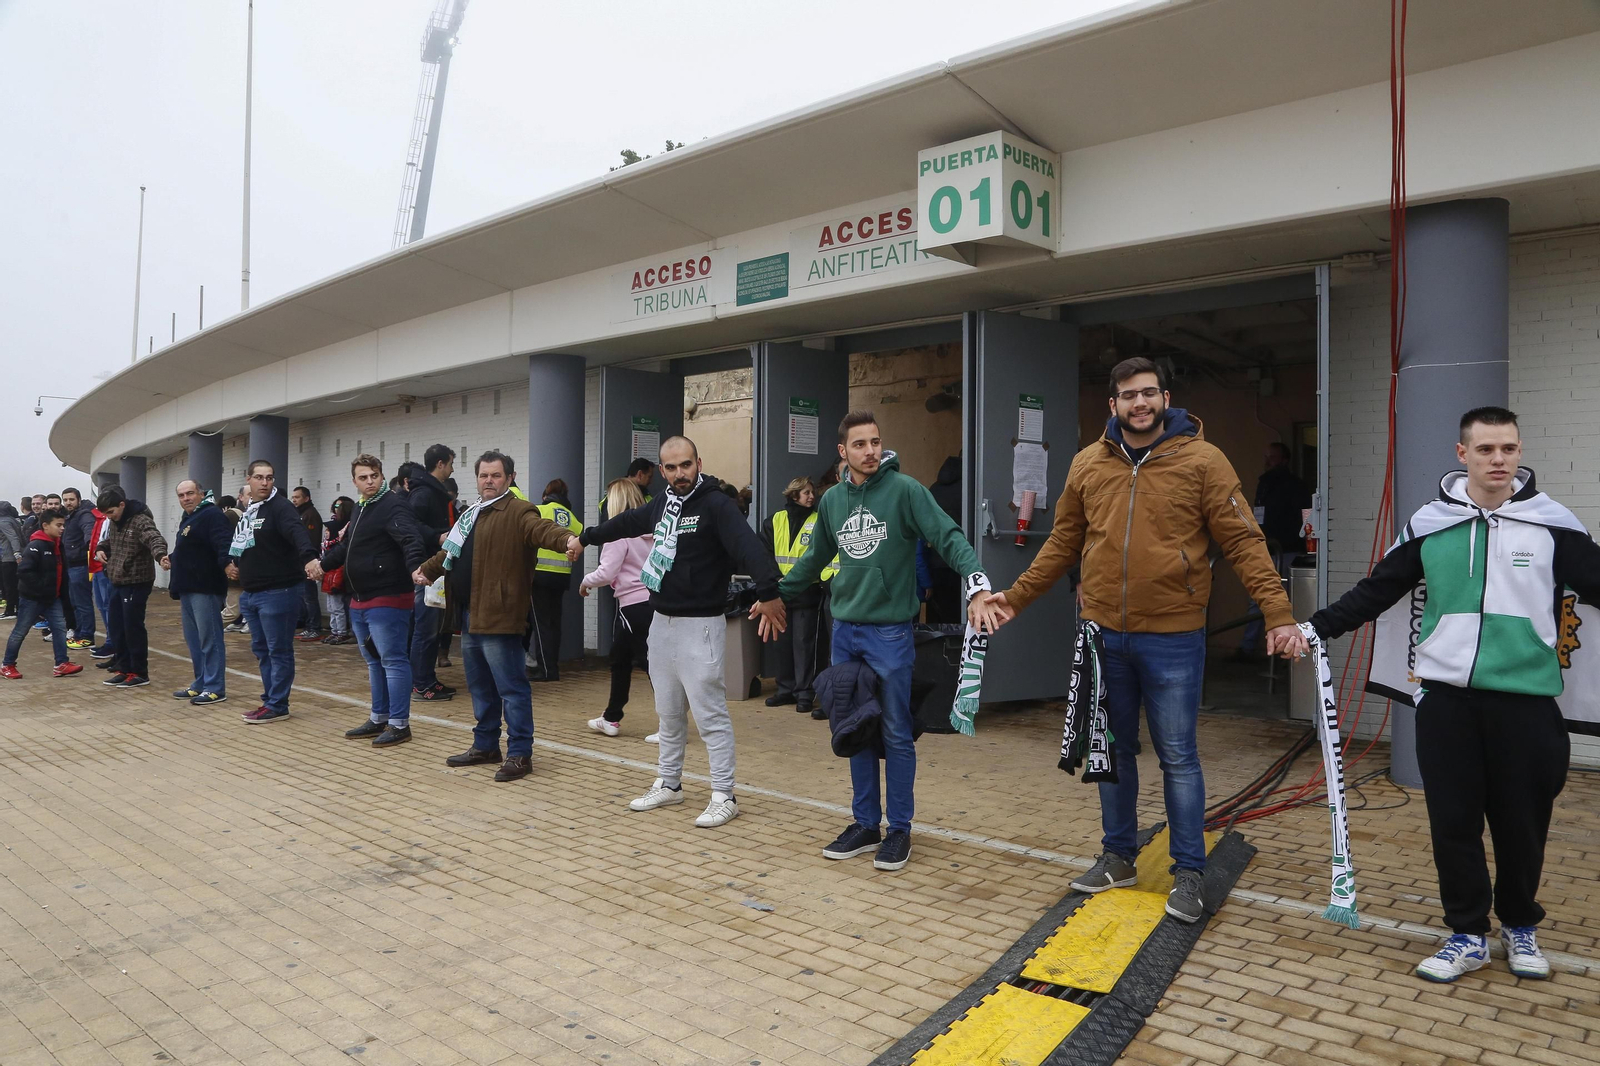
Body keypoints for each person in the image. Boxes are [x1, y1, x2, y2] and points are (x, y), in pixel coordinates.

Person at [981, 357, 1306, 923]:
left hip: (1175, 637)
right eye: (1129, 395)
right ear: (1114, 405)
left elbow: (1244, 542)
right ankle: (1118, 857)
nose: (1140, 404)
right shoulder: (1088, 464)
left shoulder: (1203, 461)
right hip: (1105, 634)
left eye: (1149, 394)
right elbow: (1062, 543)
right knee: (1113, 749)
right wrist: (1016, 597)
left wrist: (1278, 613)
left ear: (1165, 398)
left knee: (1179, 756)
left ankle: (1188, 874)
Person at [1309, 407, 1592, 982]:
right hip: (1448, 702)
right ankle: (1467, 933)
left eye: (1508, 449)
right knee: (1454, 824)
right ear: (1462, 454)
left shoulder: (1554, 524)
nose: (1499, 461)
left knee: (1523, 824)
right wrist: (1314, 628)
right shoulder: (1430, 524)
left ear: (1519, 452)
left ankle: (1519, 924)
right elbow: (1377, 590)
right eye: (1486, 450)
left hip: (1527, 703)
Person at [780, 413, 1002, 872]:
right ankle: (865, 825)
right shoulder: (832, 501)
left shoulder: (906, 491)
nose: (869, 451)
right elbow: (814, 558)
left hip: (890, 633)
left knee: (896, 731)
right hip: (845, 632)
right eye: (858, 444)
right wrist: (770, 595)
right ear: (843, 451)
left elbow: (948, 536)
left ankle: (899, 830)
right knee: (855, 728)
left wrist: (977, 583)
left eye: (875, 442)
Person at [577, 436, 786, 828]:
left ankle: (725, 794)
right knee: (668, 712)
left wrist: (770, 592)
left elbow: (749, 548)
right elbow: (626, 523)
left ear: (698, 463)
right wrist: (586, 536)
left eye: (686, 465)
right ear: (661, 471)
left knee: (711, 716)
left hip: (701, 626)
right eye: (671, 468)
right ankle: (670, 785)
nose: (679, 474)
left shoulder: (717, 504)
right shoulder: (663, 504)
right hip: (661, 623)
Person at [413, 450, 580, 782]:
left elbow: (542, 530)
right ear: (477, 479)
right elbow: (451, 552)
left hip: (501, 615)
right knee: (480, 687)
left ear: (510, 478)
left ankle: (520, 754)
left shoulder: (519, 511)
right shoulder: (471, 513)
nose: (489, 481)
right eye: (483, 475)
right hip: (469, 615)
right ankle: (486, 745)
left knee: (512, 688)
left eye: (496, 476)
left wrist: (568, 540)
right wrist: (426, 570)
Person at [314, 455, 427, 748]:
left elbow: (410, 539)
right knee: (374, 661)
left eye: (374, 476)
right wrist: (322, 565)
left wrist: (417, 566)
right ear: (355, 481)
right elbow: (345, 548)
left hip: (388, 596)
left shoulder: (392, 505)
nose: (369, 482)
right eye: (363, 478)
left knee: (392, 660)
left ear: (381, 475)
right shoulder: (363, 509)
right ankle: (379, 717)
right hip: (361, 598)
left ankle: (399, 724)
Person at [228, 460, 318, 724]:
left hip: (279, 591)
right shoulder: (251, 510)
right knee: (262, 649)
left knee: (278, 650)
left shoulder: (281, 508)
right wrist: (232, 562)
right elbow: (244, 542)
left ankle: (278, 704)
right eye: (259, 477)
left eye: (269, 477)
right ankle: (270, 700)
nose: (265, 482)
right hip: (252, 593)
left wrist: (310, 558)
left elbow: (297, 533)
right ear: (249, 480)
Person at [579, 478, 653, 736]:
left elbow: (606, 572)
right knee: (620, 658)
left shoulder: (616, 533)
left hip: (632, 604)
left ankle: (671, 725)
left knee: (649, 662)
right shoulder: (652, 532)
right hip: (652, 601)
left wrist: (585, 582)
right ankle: (611, 717)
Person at [1239, 441, 1313, 658]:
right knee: (1257, 600)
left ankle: (1289, 652)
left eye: (1272, 457)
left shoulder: (1294, 485)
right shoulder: (1264, 484)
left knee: (1287, 602)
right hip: (1264, 549)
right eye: (1266, 457)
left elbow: (1304, 515)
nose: (1267, 461)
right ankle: (1248, 648)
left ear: (1284, 460)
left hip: (1289, 550)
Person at [762, 476, 828, 717]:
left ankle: (804, 693)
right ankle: (785, 689)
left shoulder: (820, 521)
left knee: (804, 644)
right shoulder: (774, 521)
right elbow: (765, 553)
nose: (811, 496)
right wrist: (775, 578)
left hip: (807, 592)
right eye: (806, 492)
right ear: (793, 495)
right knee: (782, 645)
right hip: (780, 592)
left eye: (812, 492)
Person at [95, 486, 170, 689]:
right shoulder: (114, 522)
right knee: (117, 627)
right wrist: (101, 548)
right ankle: (124, 667)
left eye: (111, 512)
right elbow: (111, 541)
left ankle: (139, 672)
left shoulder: (140, 520)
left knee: (132, 627)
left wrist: (161, 555)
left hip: (136, 582)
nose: (109, 517)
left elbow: (154, 538)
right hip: (117, 580)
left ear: (122, 504)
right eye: (106, 514)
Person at [167, 480, 233, 706]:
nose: (186, 498)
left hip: (205, 587)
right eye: (181, 495)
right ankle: (201, 682)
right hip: (187, 587)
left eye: (190, 493)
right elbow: (192, 550)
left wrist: (227, 564)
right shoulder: (190, 518)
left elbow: (223, 543)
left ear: (201, 494)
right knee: (194, 640)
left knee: (210, 639)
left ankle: (215, 687)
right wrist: (173, 559)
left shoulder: (212, 515)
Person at [0, 508, 82, 679]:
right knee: (20, 631)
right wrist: (41, 588)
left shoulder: (58, 545)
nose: (62, 529)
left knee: (59, 629)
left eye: (63, 525)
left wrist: (59, 594)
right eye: (58, 525)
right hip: (32, 598)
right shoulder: (35, 546)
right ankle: (7, 664)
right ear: (45, 526)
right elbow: (24, 571)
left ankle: (61, 663)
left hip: (53, 598)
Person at [408, 444, 457, 703]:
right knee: (425, 629)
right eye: (450, 463)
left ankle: (427, 679)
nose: (452, 468)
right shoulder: (424, 494)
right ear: (440, 464)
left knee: (431, 628)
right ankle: (421, 683)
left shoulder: (433, 493)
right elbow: (411, 524)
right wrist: (437, 536)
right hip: (427, 571)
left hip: (436, 569)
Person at [530, 478, 584, 682]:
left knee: (540, 623)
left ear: (546, 494)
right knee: (554, 623)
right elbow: (580, 536)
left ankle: (546, 670)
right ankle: (552, 667)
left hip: (539, 574)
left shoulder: (539, 511)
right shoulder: (571, 517)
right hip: (561, 576)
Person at [60, 487, 96, 650]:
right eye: (65, 500)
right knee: (75, 602)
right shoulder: (69, 517)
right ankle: (80, 634)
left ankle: (87, 637)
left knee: (83, 603)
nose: (68, 502)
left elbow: (89, 533)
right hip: (71, 566)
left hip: (81, 565)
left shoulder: (84, 515)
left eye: (71, 499)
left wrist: (88, 547)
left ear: (79, 500)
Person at [320, 496, 356, 645]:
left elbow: (341, 550)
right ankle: (335, 630)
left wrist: (325, 562)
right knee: (332, 605)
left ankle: (341, 631)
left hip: (339, 571)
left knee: (339, 605)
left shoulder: (347, 529)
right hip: (331, 570)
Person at [291, 486, 324, 641]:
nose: (294, 500)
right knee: (304, 596)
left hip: (306, 562)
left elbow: (311, 540)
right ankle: (308, 625)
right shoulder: (300, 514)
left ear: (306, 498)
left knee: (309, 596)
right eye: (293, 497)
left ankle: (314, 627)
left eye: (297, 497)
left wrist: (308, 559)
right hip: (299, 562)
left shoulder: (310, 515)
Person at [86, 499, 118, 661]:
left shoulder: (110, 519)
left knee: (108, 607)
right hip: (96, 567)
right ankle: (110, 641)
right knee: (101, 605)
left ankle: (113, 642)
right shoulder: (98, 518)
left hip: (104, 568)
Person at [0, 500, 22, 618]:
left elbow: (13, 538)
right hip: (10, 556)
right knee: (14, 584)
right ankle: (16, 609)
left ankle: (10, 610)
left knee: (9, 585)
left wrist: (17, 553)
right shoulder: (13, 520)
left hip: (8, 557)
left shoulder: (3, 522)